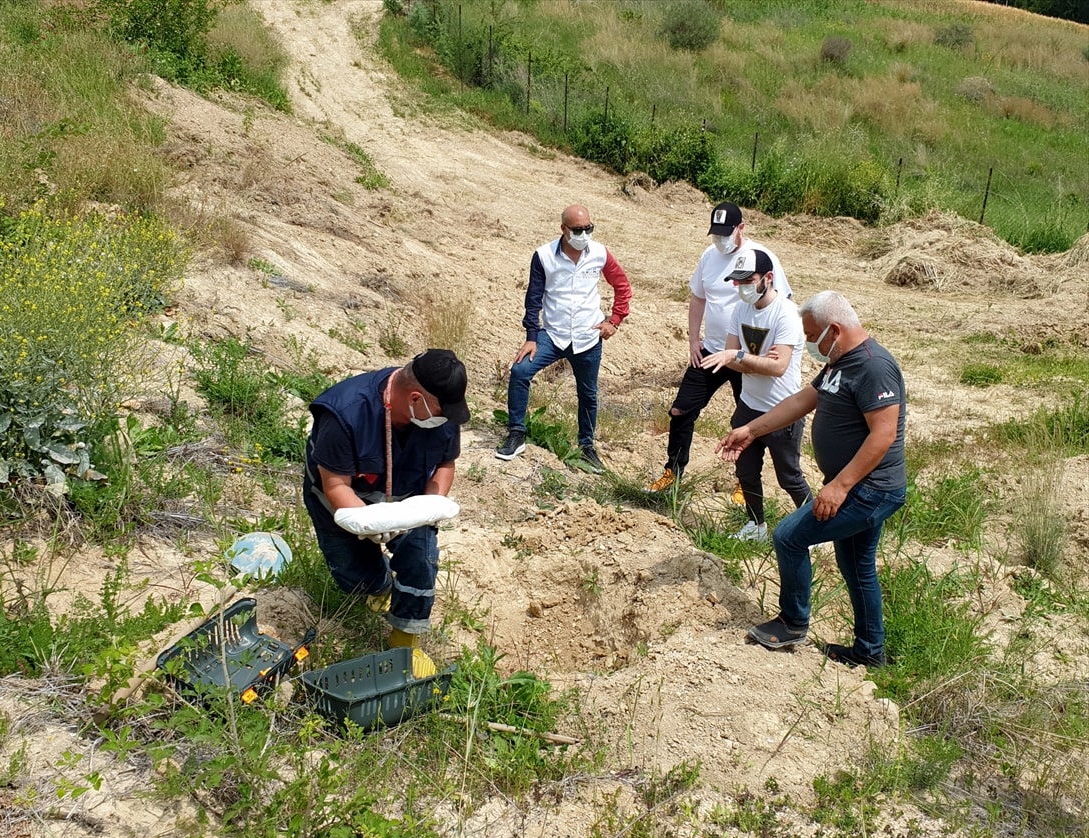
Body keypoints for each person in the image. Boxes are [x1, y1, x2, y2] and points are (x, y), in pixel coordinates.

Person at [716, 291, 907, 668]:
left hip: (870, 489)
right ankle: (870, 652)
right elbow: (803, 399)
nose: (808, 344)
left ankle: (792, 622)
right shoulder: (840, 363)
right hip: (858, 485)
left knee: (789, 536)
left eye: (811, 335)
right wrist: (751, 430)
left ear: (834, 330)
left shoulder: (873, 367)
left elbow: (882, 435)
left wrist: (839, 486)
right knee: (857, 564)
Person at [302, 349, 470, 654]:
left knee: (420, 560)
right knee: (354, 575)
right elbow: (335, 485)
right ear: (416, 399)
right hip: (339, 499)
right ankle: (377, 585)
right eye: (442, 412)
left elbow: (446, 463)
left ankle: (405, 639)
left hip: (408, 495)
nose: (447, 419)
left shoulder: (441, 413)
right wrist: (369, 524)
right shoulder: (345, 414)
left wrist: (428, 506)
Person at [644, 202, 793, 494]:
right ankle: (673, 472)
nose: (720, 240)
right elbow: (698, 298)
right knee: (680, 410)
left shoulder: (761, 258)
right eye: (716, 234)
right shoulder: (708, 257)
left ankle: (744, 484)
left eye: (727, 234)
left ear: (741, 229)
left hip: (747, 357)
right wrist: (693, 340)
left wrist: (774, 348)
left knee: (748, 419)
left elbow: (782, 300)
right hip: (712, 351)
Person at [495, 204, 632, 474]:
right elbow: (533, 299)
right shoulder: (544, 256)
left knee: (588, 394)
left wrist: (615, 320)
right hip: (553, 334)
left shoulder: (600, 254)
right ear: (563, 229)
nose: (584, 234)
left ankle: (587, 446)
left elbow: (622, 286)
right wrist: (531, 337)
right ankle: (517, 433)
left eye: (588, 229)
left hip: (588, 335)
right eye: (578, 230)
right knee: (520, 371)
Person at [700, 248, 812, 541]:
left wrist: (742, 357)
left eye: (748, 280)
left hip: (781, 410)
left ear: (768, 278)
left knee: (789, 477)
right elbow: (731, 358)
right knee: (745, 471)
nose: (741, 288)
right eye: (737, 282)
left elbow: (777, 368)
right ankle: (756, 525)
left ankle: (815, 528)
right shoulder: (740, 309)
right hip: (748, 405)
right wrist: (751, 359)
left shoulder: (787, 314)